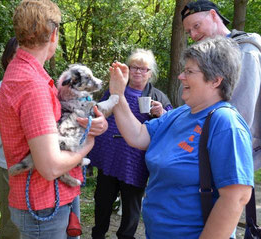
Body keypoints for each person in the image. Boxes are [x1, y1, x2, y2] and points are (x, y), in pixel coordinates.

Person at [109, 36, 254, 238]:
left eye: (189, 71)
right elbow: (138, 135)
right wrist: (118, 94)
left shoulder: (226, 123)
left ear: (215, 80)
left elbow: (237, 196)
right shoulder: (181, 113)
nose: (181, 77)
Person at [0, 1, 108, 238]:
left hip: (51, 200)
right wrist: (86, 147)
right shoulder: (32, 84)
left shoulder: (28, 73)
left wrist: (92, 123)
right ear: (54, 34)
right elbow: (50, 167)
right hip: (43, 206)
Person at [88, 49, 172, 239]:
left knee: (131, 205)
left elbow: (172, 126)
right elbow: (99, 113)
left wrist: (162, 114)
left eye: (143, 69)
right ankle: (97, 234)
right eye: (134, 67)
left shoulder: (158, 96)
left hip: (136, 161)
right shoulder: (114, 90)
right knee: (102, 200)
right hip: (110, 155)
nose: (138, 72)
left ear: (150, 73)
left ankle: (126, 237)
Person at [180, 0, 261, 169]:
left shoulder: (245, 51)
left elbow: (241, 111)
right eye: (188, 32)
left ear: (213, 15)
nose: (193, 35)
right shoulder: (202, 57)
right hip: (205, 149)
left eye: (196, 26)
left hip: (232, 153)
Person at [0, 37, 19, 239]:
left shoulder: (37, 87)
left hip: (36, 167)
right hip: (8, 166)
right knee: (11, 222)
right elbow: (12, 126)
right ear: (8, 58)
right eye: (18, 55)